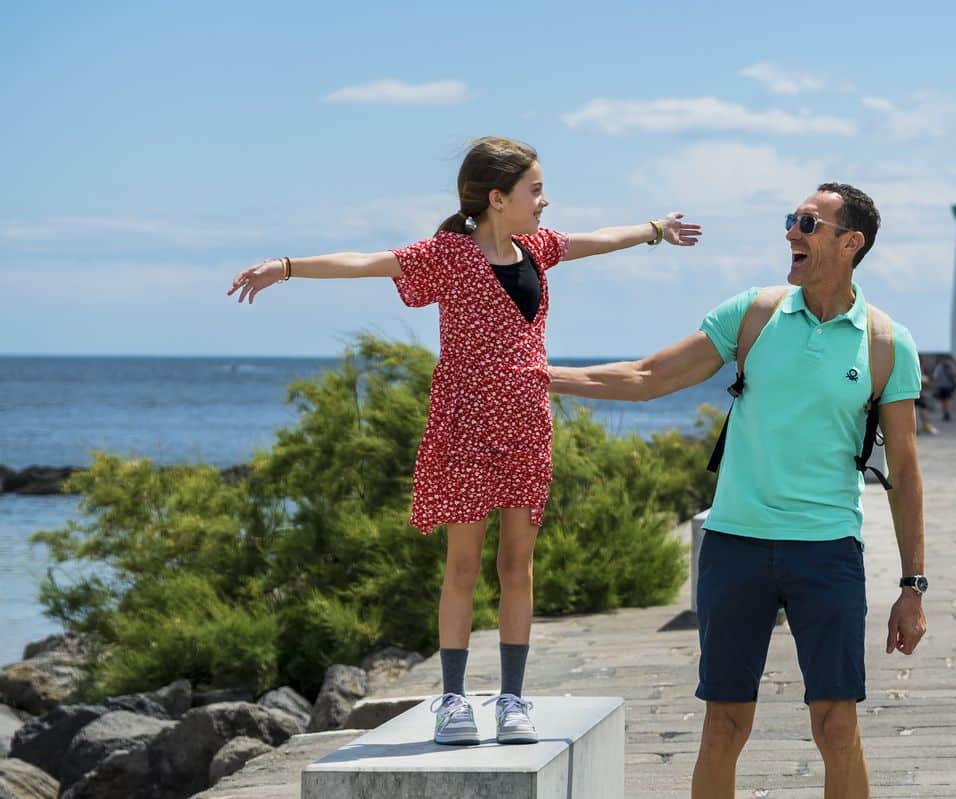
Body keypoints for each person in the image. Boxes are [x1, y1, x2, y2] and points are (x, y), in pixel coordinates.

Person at [225, 137, 701, 745]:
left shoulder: (537, 248)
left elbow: (597, 239)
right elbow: (367, 261)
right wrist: (286, 267)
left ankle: (511, 700)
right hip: (465, 430)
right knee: (463, 564)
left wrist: (654, 229)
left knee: (516, 566)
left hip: (528, 426)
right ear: (498, 199)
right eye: (535, 191)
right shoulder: (448, 255)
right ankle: (451, 699)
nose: (545, 201)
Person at [546, 183, 928, 799]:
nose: (790, 233)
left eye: (807, 222)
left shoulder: (886, 345)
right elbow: (647, 377)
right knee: (724, 724)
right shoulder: (753, 314)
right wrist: (537, 377)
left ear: (850, 242)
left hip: (826, 552)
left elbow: (905, 476)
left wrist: (912, 587)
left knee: (836, 725)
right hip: (734, 547)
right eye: (790, 219)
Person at [932, 355, 956, 422]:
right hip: (945, 386)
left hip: (945, 386)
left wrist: (935, 384)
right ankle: (946, 412)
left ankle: (946, 412)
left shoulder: (941, 366)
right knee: (945, 400)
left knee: (945, 400)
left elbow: (935, 376)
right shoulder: (947, 366)